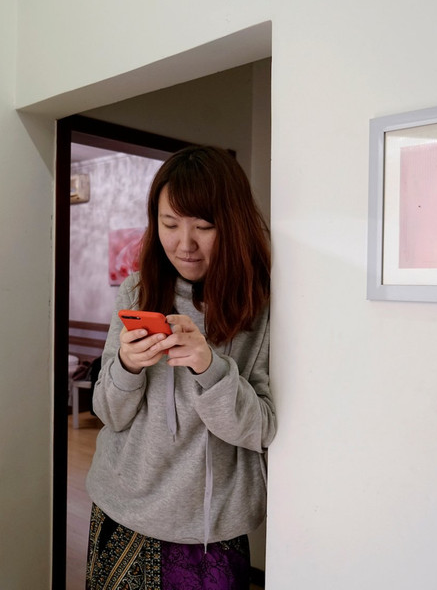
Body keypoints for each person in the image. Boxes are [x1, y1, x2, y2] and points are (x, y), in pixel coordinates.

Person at [85, 145, 275, 589]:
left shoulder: (260, 305)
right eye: (170, 224)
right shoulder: (137, 290)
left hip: (212, 528)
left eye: (204, 226)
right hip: (121, 508)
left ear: (233, 224)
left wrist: (210, 367)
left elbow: (260, 429)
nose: (184, 244)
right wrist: (126, 367)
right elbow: (109, 414)